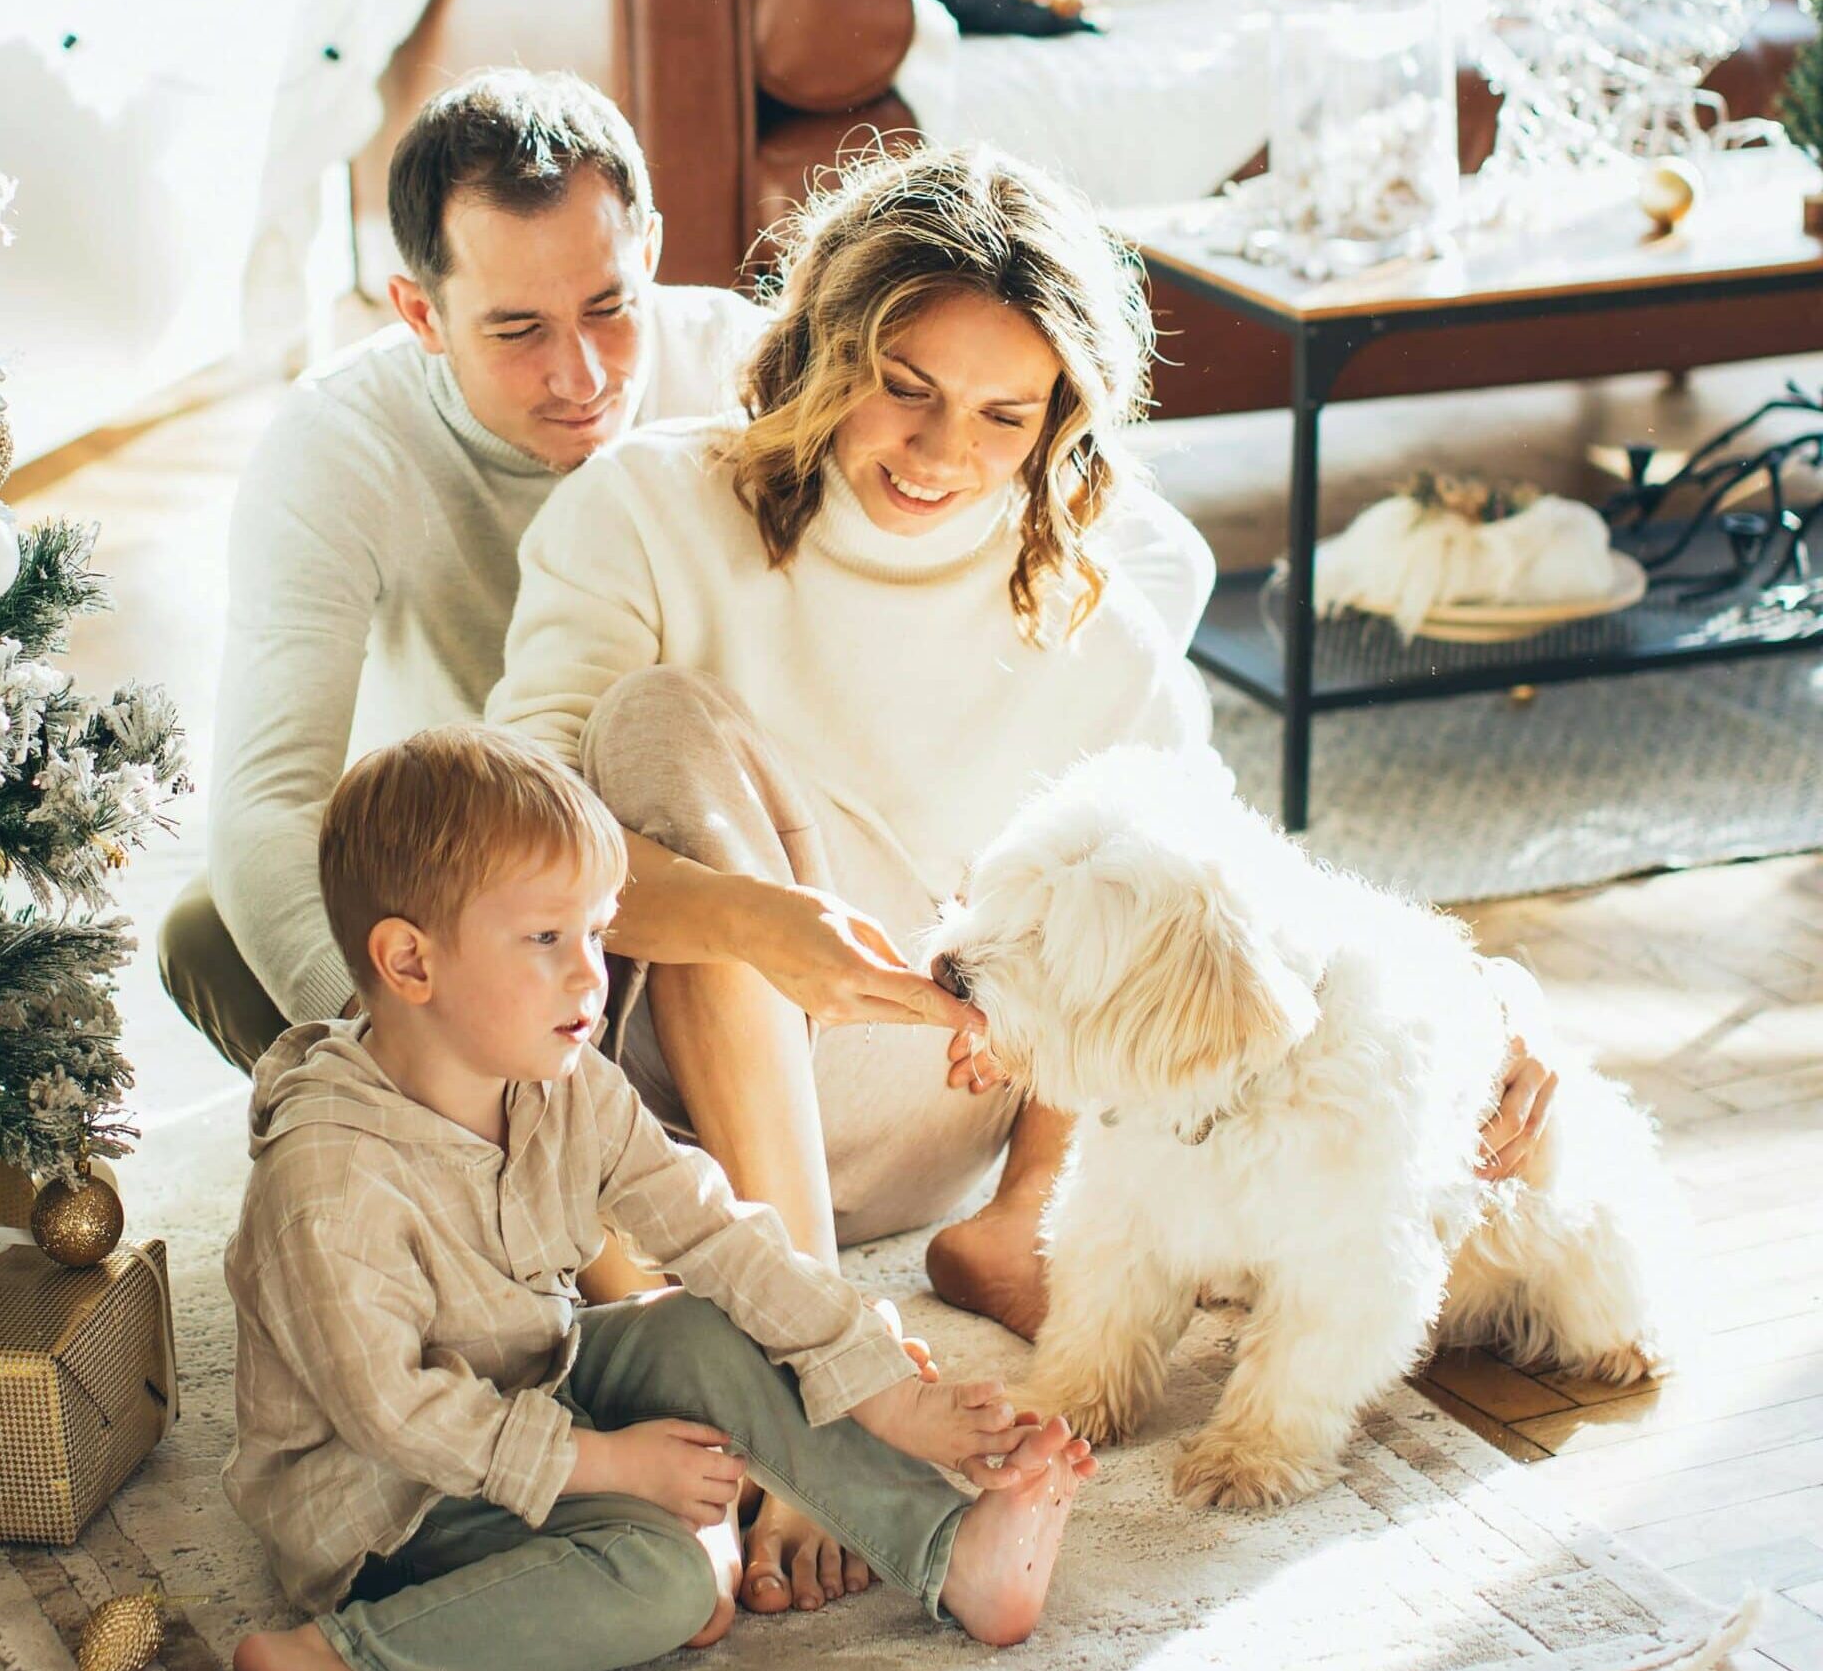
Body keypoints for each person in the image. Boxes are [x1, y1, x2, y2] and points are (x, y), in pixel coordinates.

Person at [487, 141, 1557, 1532]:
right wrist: (754, 926)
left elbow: (1236, 903)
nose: (944, 456)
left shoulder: (1097, 619)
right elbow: (499, 859)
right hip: (665, 1081)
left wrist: (1482, 995)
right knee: (648, 726)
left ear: (1061, 422)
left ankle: (1027, 1219)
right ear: (817, 345)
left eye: (1007, 417)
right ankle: (824, 1353)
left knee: (1114, 870)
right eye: (906, 390)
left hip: (944, 1076)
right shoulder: (641, 505)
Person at [223, 726, 1096, 1671]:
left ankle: (950, 1553)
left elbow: (717, 1232)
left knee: (702, 1323)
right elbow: (403, 1421)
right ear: (410, 959)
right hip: (393, 1501)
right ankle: (342, 1655)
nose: (588, 977)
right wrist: (611, 1464)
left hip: (532, 1380)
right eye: (546, 939)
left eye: (595, 934)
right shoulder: (326, 1182)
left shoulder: (561, 1083)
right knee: (666, 1583)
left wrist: (888, 1393)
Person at [164, 68, 767, 1070]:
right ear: (419, 313)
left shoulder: (755, 372)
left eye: (610, 306)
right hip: (485, 883)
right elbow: (267, 803)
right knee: (210, 932)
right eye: (516, 330)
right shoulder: (339, 440)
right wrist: (400, 1058)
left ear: (650, 251)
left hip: (712, 855)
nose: (579, 376)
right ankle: (447, 1146)